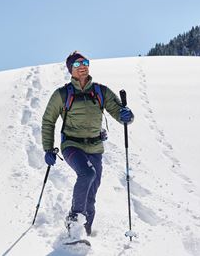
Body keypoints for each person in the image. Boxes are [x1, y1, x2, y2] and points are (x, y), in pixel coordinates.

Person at [41, 51, 134, 237]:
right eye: (77, 64)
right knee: (87, 173)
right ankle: (74, 220)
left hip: (95, 148)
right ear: (70, 70)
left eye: (85, 62)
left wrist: (127, 115)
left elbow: (119, 112)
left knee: (91, 194)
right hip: (72, 146)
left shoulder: (100, 91)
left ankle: (84, 234)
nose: (82, 66)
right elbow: (48, 121)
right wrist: (48, 149)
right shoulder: (62, 94)